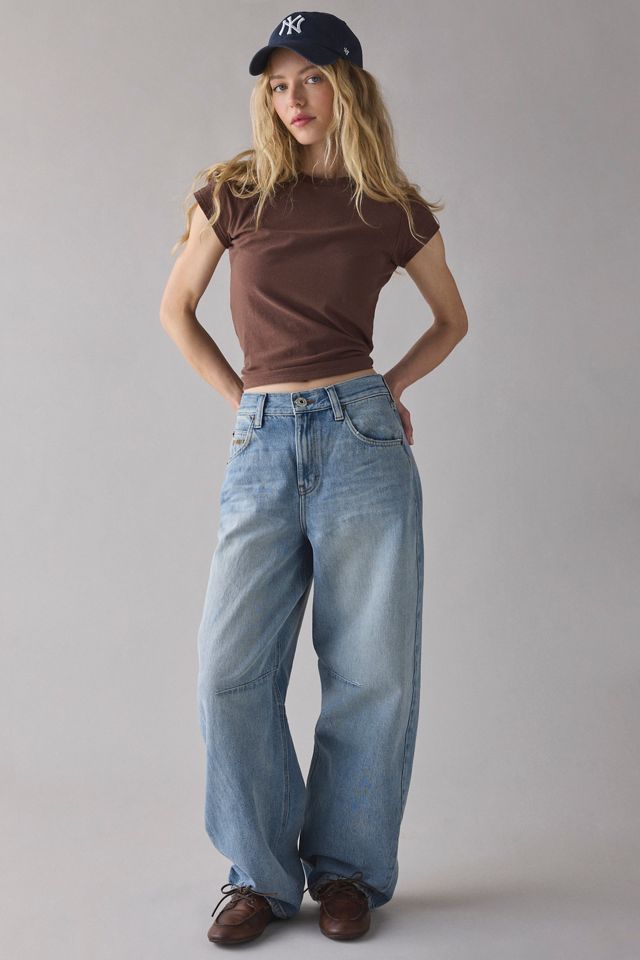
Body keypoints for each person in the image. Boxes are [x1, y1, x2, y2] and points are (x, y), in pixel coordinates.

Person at [160, 9, 468, 946]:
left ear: (349, 87)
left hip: (362, 441)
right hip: (263, 438)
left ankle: (347, 874)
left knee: (373, 673)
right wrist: (243, 406)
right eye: (278, 83)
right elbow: (176, 310)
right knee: (228, 674)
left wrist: (391, 387)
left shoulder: (392, 207)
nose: (294, 98)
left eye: (313, 78)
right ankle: (257, 875)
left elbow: (452, 321)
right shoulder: (234, 193)